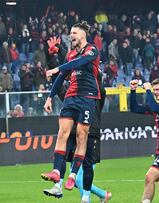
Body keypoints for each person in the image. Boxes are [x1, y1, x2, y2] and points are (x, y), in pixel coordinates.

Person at [41, 21, 101, 191]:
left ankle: (73, 175)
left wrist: (56, 68)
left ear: (83, 34)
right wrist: (50, 97)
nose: (71, 35)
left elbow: (78, 63)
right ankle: (56, 172)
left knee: (81, 136)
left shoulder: (92, 50)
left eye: (74, 33)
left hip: (88, 97)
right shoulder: (70, 55)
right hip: (71, 97)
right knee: (62, 133)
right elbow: (62, 76)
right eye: (70, 33)